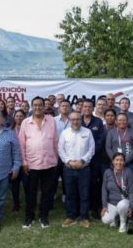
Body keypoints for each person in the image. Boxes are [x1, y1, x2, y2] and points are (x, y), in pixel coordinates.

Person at [18, 96, 59, 229]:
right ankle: (29, 217)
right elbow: (21, 144)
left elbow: (55, 141)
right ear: (31, 106)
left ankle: (43, 216)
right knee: (31, 192)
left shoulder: (51, 120)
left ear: (44, 106)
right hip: (31, 164)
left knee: (47, 193)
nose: (37, 107)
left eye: (40, 105)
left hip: (49, 163)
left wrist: (56, 159)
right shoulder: (25, 122)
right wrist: (24, 162)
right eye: (35, 105)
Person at [58, 112, 95, 228]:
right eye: (73, 119)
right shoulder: (65, 133)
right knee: (70, 193)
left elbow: (92, 149)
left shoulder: (87, 132)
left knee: (84, 193)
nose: (75, 121)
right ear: (69, 120)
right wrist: (69, 161)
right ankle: (71, 216)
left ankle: (84, 217)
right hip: (69, 169)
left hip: (84, 169)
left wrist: (82, 161)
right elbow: (60, 150)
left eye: (78, 119)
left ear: (81, 120)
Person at [81, 99, 105, 220]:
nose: (87, 109)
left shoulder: (98, 122)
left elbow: (100, 140)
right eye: (85, 106)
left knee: (94, 184)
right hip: (80, 160)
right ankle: (82, 209)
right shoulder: (77, 120)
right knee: (82, 184)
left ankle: (95, 208)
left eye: (90, 107)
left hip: (94, 159)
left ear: (93, 108)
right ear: (81, 107)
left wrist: (90, 154)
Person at [101, 153, 133, 233]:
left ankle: (123, 223)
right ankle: (116, 219)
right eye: (116, 160)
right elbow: (104, 190)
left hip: (124, 201)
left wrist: (131, 206)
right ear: (112, 161)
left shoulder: (128, 171)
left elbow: (131, 191)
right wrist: (104, 205)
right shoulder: (107, 172)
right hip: (112, 203)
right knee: (106, 220)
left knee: (122, 205)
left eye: (121, 160)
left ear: (124, 162)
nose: (119, 162)